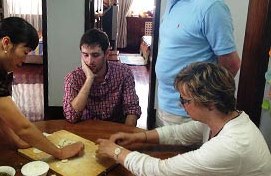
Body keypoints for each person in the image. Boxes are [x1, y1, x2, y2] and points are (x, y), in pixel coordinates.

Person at [96, 62, 271, 175]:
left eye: (185, 100)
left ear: (210, 103)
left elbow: (158, 170)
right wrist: (138, 137)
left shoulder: (230, 146)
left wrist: (115, 151)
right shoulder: (223, 118)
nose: (180, 105)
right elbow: (179, 133)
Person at [0, 17, 84, 159]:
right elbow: (23, 127)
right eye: (25, 52)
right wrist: (60, 152)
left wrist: (16, 142)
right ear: (6, 43)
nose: (24, 60)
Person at [147, 0, 241, 126]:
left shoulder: (210, 4)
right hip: (166, 106)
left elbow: (231, 64)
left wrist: (200, 103)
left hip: (189, 115)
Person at [63, 28, 141, 126]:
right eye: (85, 55)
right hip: (86, 131)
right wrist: (89, 79)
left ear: (107, 53)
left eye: (95, 55)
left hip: (115, 130)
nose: (90, 61)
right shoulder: (73, 78)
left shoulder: (124, 72)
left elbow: (132, 109)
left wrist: (127, 135)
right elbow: (71, 117)